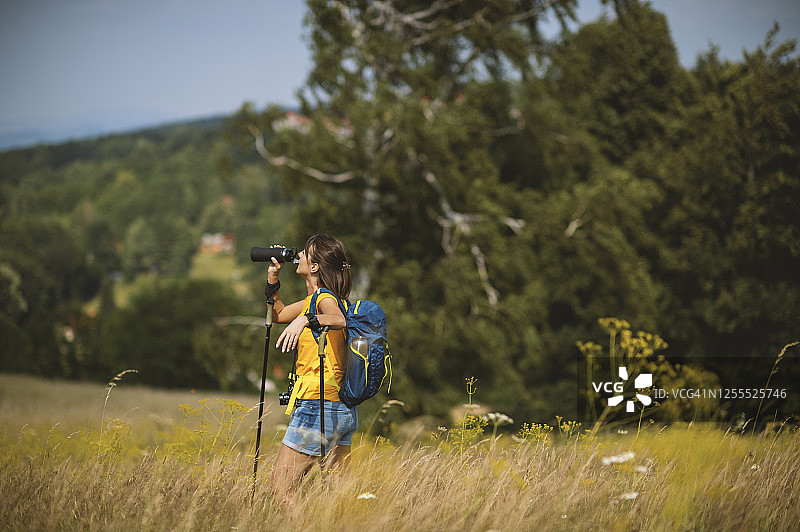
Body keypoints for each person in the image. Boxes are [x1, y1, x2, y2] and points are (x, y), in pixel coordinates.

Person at [266, 233, 356, 506]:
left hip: (318, 404)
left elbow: (338, 320)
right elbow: (278, 315)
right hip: (339, 407)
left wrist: (306, 320)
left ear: (315, 266)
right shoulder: (313, 300)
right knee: (339, 498)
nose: (300, 256)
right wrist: (273, 278)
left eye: (305, 253)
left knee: (280, 490)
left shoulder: (325, 299)